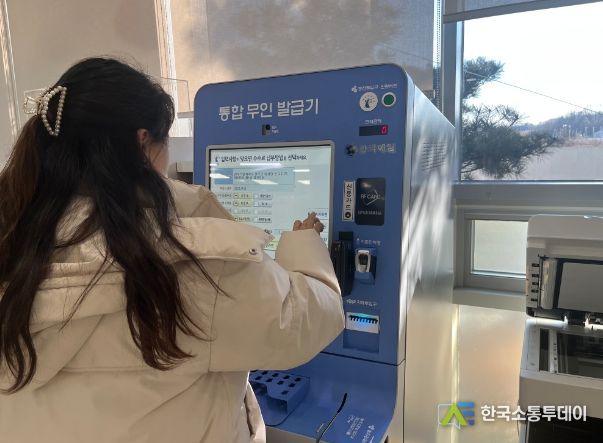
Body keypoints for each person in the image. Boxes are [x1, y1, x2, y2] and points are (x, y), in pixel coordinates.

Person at [0, 57, 344, 443]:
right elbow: (305, 323)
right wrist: (304, 244)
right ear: (142, 142)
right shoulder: (185, 265)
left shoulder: (12, 245)